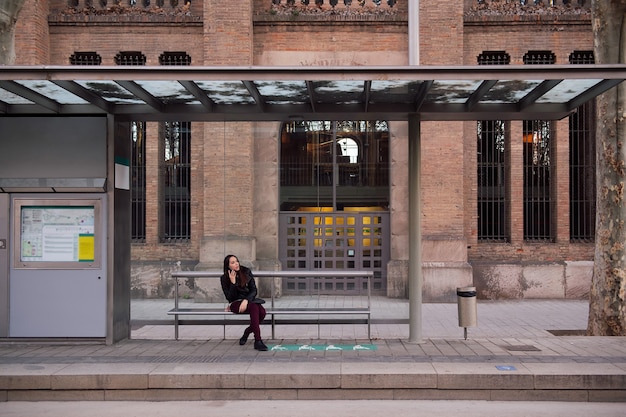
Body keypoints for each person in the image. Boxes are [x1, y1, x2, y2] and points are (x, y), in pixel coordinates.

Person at [220, 254, 268, 351]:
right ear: (228, 265)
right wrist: (233, 283)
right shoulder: (224, 278)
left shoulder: (246, 271)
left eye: (237, 261)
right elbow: (230, 298)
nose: (236, 264)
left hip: (249, 301)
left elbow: (254, 290)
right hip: (236, 303)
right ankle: (258, 340)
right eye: (233, 263)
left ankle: (247, 332)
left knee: (262, 313)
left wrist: (246, 300)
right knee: (255, 308)